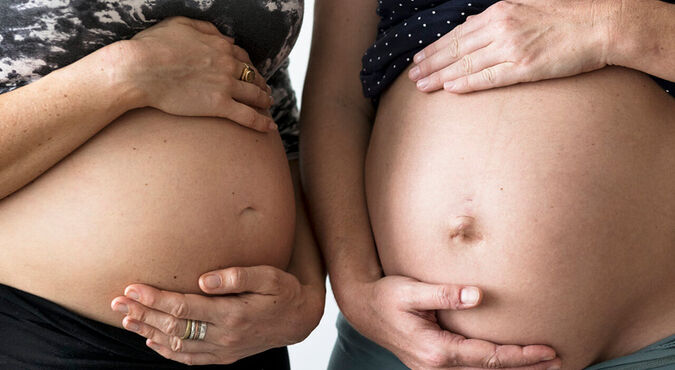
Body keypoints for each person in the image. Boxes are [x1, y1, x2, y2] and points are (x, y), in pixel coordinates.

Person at [300, 0, 674, 369]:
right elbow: (338, 101)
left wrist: (612, 28)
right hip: (400, 345)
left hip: (650, 342)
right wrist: (357, 292)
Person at [0, 1, 325, 369]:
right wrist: (126, 71)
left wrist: (307, 295)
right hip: (49, 332)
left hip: (250, 336)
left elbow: (273, 106)